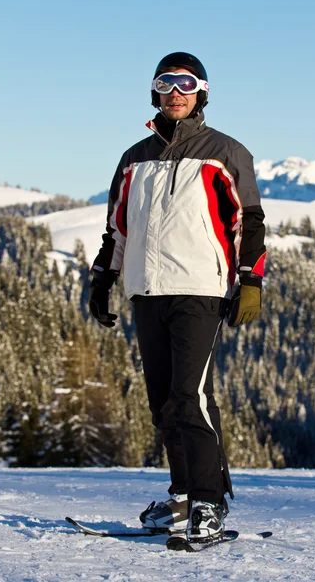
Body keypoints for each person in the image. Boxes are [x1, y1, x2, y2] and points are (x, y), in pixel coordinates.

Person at [89, 52, 266, 543]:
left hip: (200, 290)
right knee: (164, 404)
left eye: (186, 84)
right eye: (166, 83)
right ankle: (184, 494)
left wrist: (250, 280)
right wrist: (103, 279)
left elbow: (248, 221)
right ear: (155, 92)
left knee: (191, 398)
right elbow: (116, 229)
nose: (175, 92)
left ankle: (211, 502)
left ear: (201, 92)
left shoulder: (226, 152)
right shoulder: (133, 158)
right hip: (147, 291)